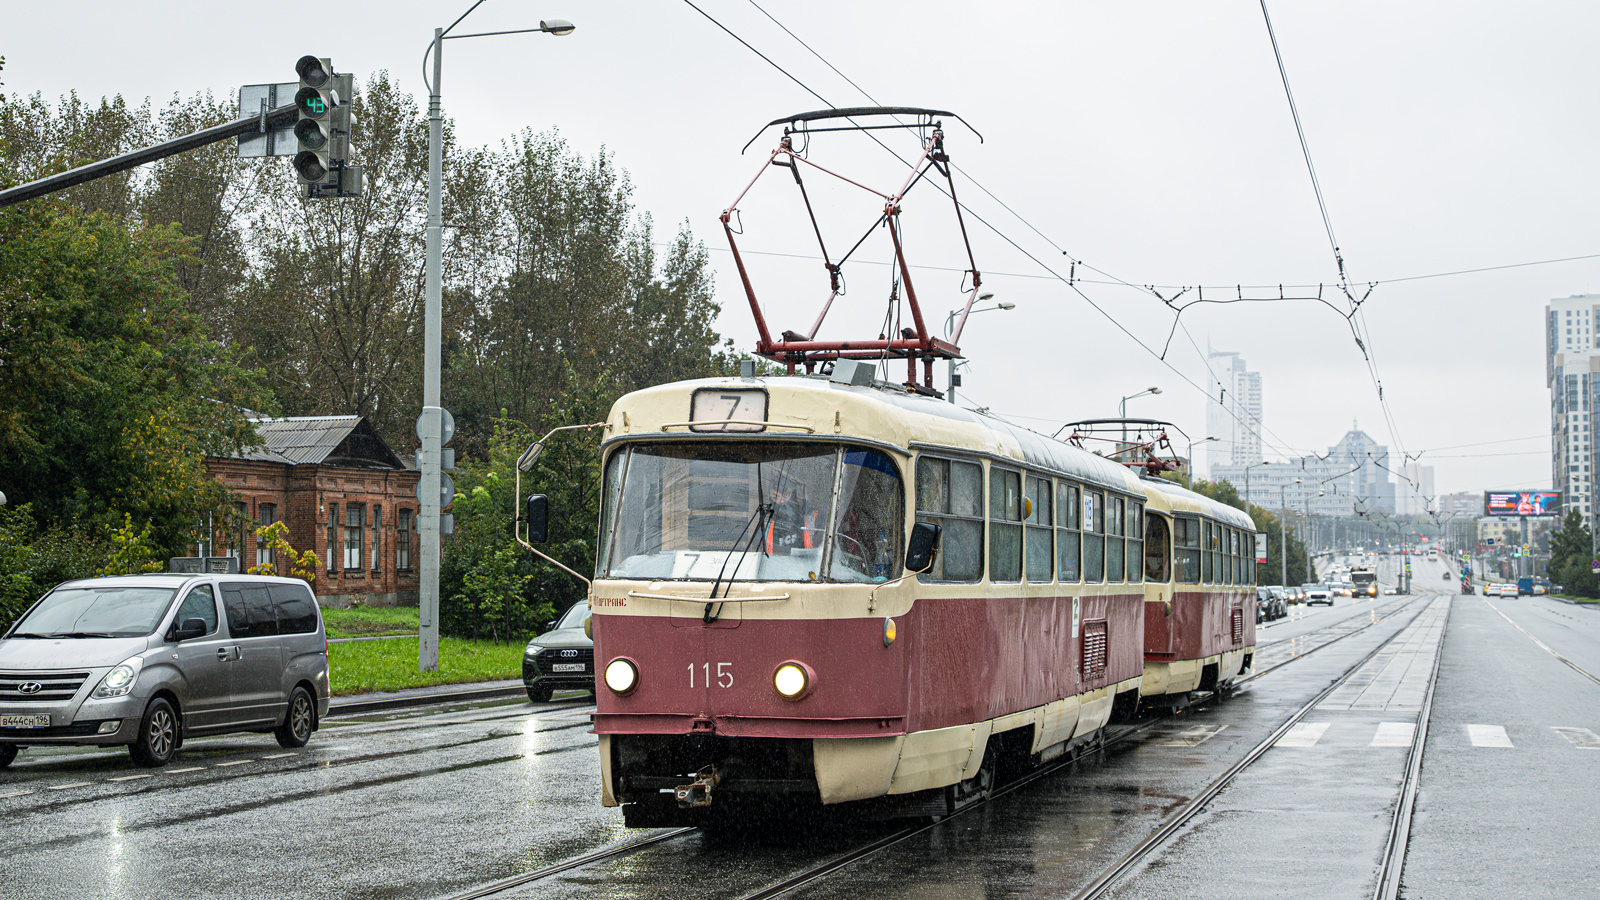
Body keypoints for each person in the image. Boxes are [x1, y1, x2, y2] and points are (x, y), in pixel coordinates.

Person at [766, 486, 818, 555]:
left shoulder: (814, 518)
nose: (781, 501)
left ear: (794, 495)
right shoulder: (767, 523)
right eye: (776, 497)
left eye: (785, 496)